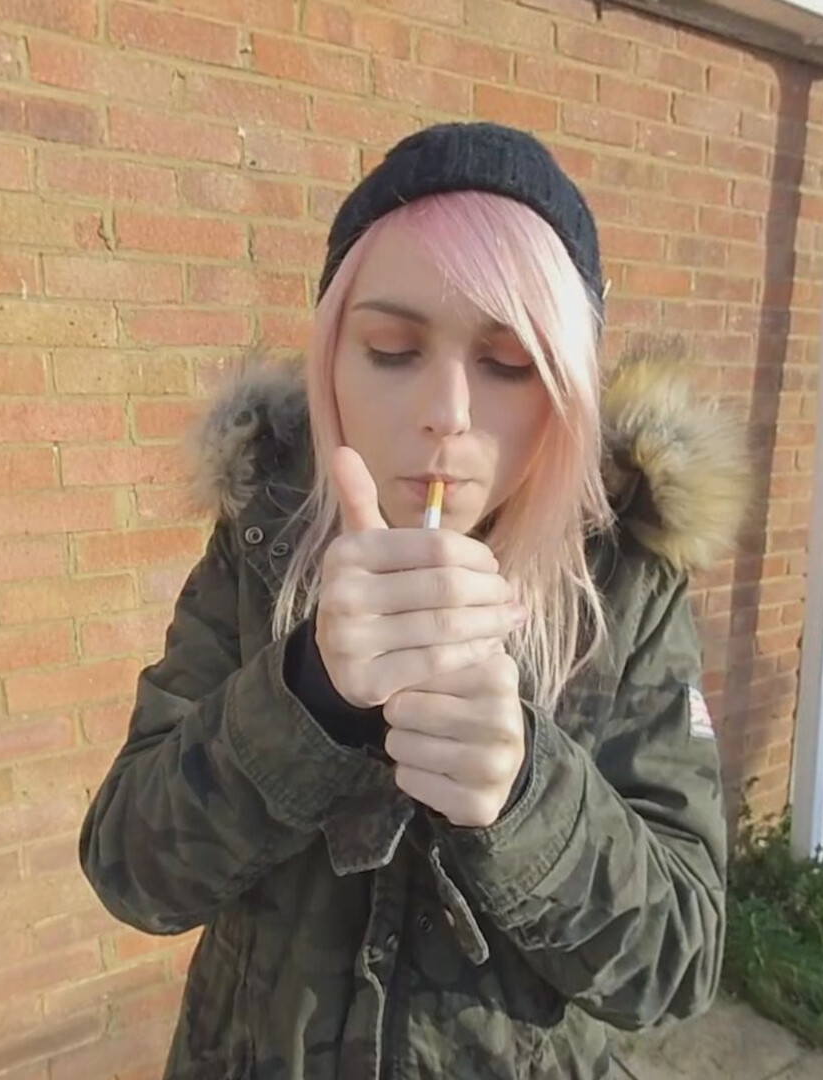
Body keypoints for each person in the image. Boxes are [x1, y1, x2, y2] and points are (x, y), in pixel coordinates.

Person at [79, 121, 749, 1079]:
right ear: (332, 358)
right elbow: (132, 870)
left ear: (567, 388)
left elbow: (677, 964)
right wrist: (306, 699)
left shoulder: (626, 587)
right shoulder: (263, 541)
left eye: (509, 363)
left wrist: (526, 795)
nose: (447, 412)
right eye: (392, 349)